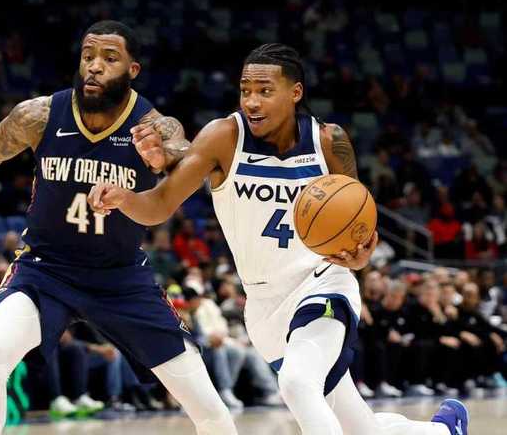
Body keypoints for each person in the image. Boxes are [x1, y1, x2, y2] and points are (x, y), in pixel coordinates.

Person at [89, 44, 468, 435]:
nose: (252, 101)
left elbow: (358, 226)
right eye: (245, 90)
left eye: (265, 91)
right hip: (263, 307)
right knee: (360, 429)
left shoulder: (328, 141)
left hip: (321, 284)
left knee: (298, 385)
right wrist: (124, 199)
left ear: (295, 92)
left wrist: (358, 258)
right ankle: (443, 431)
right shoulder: (223, 137)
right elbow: (160, 205)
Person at [0, 20, 236, 435]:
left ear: (133, 70)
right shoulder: (40, 115)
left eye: (109, 58)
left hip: (121, 278)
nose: (95, 66)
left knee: (205, 401)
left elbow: (191, 159)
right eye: (88, 56)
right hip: (45, 270)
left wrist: (168, 162)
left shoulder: (154, 126)